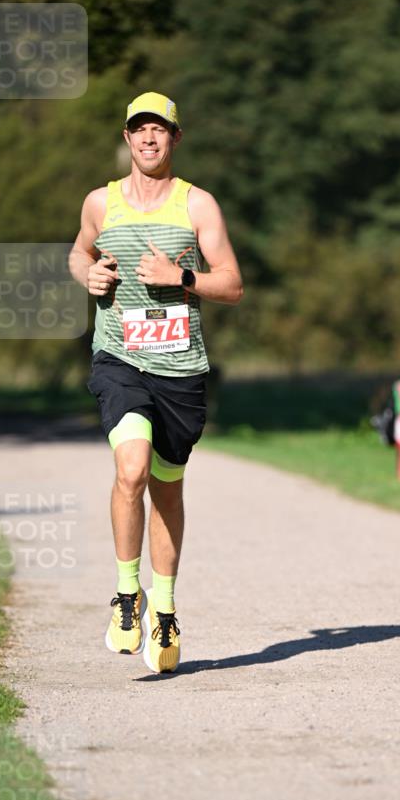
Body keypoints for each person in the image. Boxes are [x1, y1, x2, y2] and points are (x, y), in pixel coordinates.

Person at [69, 92, 243, 673]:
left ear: (175, 138)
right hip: (119, 358)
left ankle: (163, 609)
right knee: (131, 469)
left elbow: (232, 284)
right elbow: (78, 252)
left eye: (159, 129)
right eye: (139, 129)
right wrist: (88, 274)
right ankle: (127, 595)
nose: (149, 138)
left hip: (180, 369)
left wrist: (181, 276)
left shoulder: (198, 205)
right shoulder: (101, 202)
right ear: (127, 138)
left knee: (167, 488)